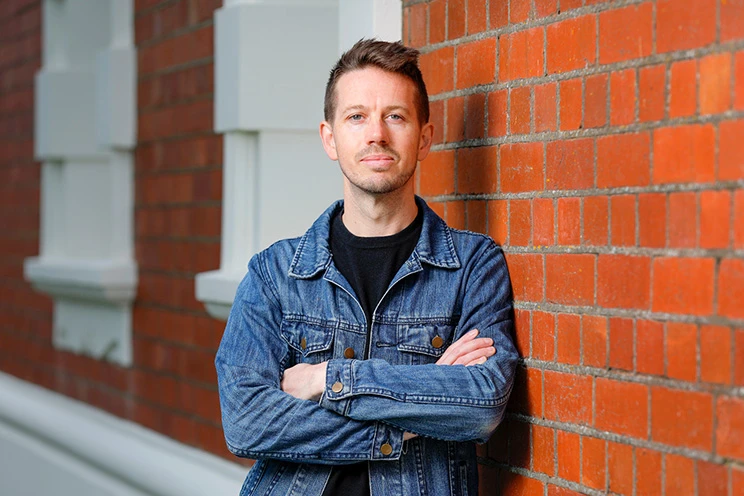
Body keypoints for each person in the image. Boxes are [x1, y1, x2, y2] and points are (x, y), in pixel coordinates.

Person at [215, 39, 518, 496]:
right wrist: (412, 418)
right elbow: (246, 422)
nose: (376, 133)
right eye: (356, 116)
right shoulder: (275, 274)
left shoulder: (472, 266)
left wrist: (324, 380)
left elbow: (480, 404)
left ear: (425, 137)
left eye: (395, 116)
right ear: (330, 138)